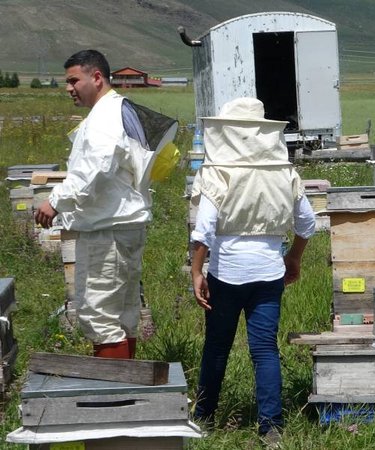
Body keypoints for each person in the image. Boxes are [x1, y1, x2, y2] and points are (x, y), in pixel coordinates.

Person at [35, 49, 175, 358]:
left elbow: (96, 167)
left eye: (74, 80)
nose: (69, 88)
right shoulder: (116, 110)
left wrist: (56, 200)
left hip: (107, 230)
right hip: (120, 225)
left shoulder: (105, 116)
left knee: (100, 316)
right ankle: (125, 383)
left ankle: (112, 386)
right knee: (123, 315)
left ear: (96, 77)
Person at [189, 97, 315, 444]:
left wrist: (196, 272)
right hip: (269, 272)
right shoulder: (285, 172)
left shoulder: (217, 171)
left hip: (227, 273)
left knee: (217, 347)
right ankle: (271, 427)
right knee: (264, 350)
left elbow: (204, 229)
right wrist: (294, 257)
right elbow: (307, 223)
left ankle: (204, 418)